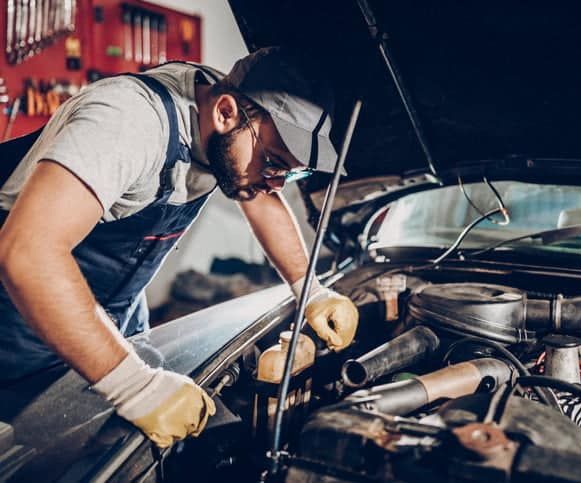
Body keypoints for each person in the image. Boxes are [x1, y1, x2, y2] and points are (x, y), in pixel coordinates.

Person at [0, 47, 359, 448]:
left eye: (292, 172)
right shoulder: (127, 123)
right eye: (274, 163)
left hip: (112, 316)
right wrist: (133, 386)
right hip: (21, 327)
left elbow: (258, 195)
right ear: (224, 113)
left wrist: (310, 290)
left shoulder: (224, 117)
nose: (277, 183)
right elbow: (29, 254)